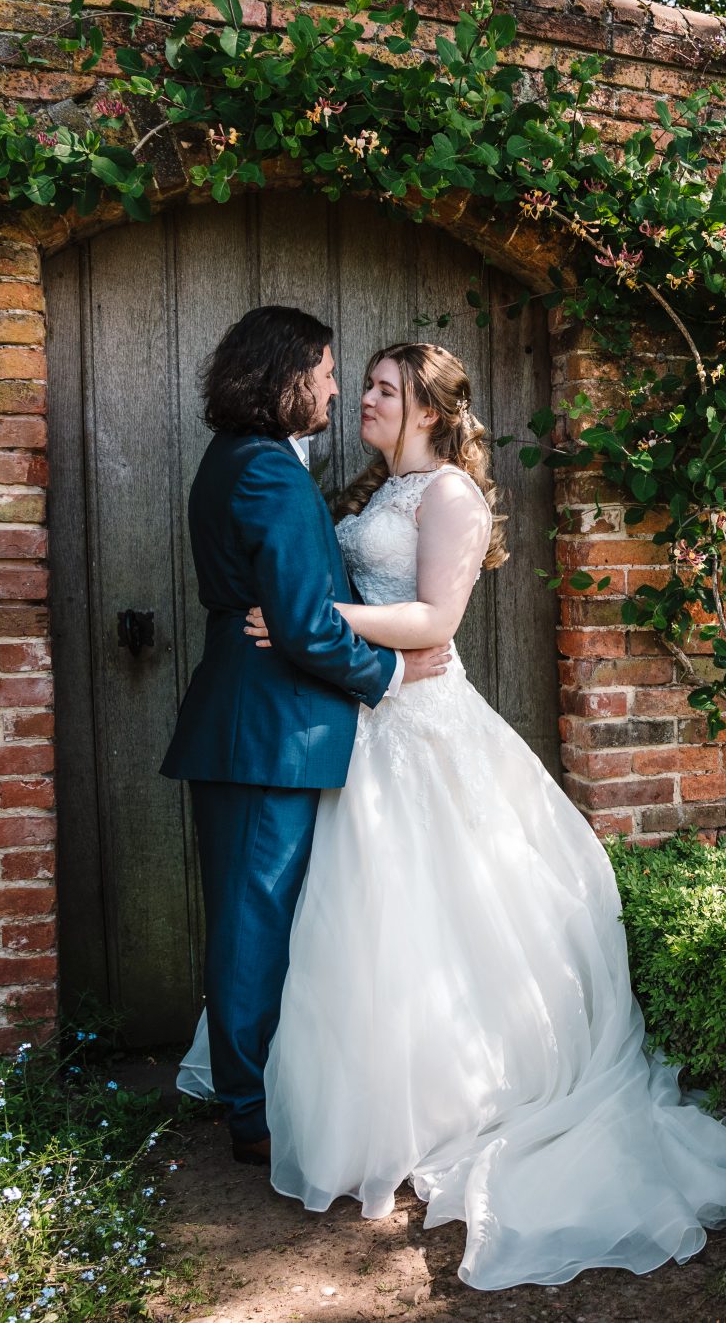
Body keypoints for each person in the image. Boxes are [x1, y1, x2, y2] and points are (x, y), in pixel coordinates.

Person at [176, 340, 726, 1289]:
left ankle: (449, 1094)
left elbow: (435, 622)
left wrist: (321, 620)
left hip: (421, 717)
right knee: (356, 916)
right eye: (358, 382)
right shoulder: (374, 492)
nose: (362, 398)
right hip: (362, 723)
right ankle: (357, 1092)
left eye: (383, 388)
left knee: (441, 904)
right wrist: (321, 621)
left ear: (429, 407)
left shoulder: (452, 495)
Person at [160, 306, 450, 1168]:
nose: (334, 388)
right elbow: (304, 624)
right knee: (253, 926)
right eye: (325, 372)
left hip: (264, 726)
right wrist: (393, 674)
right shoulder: (264, 471)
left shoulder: (243, 458)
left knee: (262, 919)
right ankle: (251, 1114)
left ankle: (262, 1089)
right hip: (266, 729)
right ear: (284, 374)